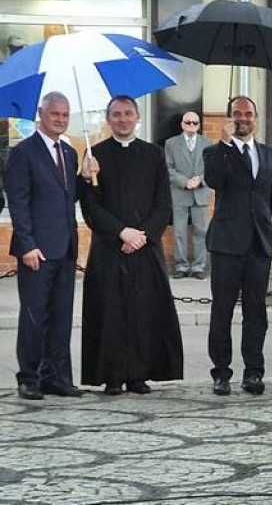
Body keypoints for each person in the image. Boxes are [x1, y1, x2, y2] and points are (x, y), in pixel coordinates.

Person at [80, 96, 183, 395]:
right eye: (116, 114)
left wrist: (142, 235)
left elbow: (163, 203)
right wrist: (121, 232)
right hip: (109, 248)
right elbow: (91, 206)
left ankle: (139, 374)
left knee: (144, 312)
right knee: (110, 312)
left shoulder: (153, 154)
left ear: (137, 117)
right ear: (108, 119)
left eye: (128, 113)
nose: (122, 119)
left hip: (145, 247)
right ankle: (112, 376)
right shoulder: (93, 156)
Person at [7, 91, 99, 400]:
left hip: (64, 248)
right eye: (54, 114)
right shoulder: (23, 153)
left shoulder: (70, 153)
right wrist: (28, 245)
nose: (60, 119)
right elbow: (18, 203)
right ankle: (28, 377)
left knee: (61, 316)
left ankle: (55, 377)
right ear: (40, 115)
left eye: (64, 114)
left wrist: (84, 178)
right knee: (34, 316)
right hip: (36, 251)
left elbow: (65, 198)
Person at [204, 96, 272, 396]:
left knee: (256, 312)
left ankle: (253, 372)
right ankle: (221, 373)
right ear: (229, 117)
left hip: (259, 243)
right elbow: (214, 181)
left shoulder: (270, 155)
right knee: (222, 311)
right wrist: (226, 146)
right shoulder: (216, 152)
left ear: (256, 118)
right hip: (227, 244)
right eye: (236, 113)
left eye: (248, 113)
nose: (243, 118)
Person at [165, 111, 211, 279]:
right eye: (188, 122)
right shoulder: (171, 144)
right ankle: (181, 266)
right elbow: (168, 168)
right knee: (179, 231)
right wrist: (184, 181)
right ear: (182, 124)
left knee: (201, 231)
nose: (191, 125)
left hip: (200, 192)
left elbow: (211, 169)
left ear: (199, 125)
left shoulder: (207, 143)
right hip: (180, 192)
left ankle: (199, 266)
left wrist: (200, 180)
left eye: (195, 123)